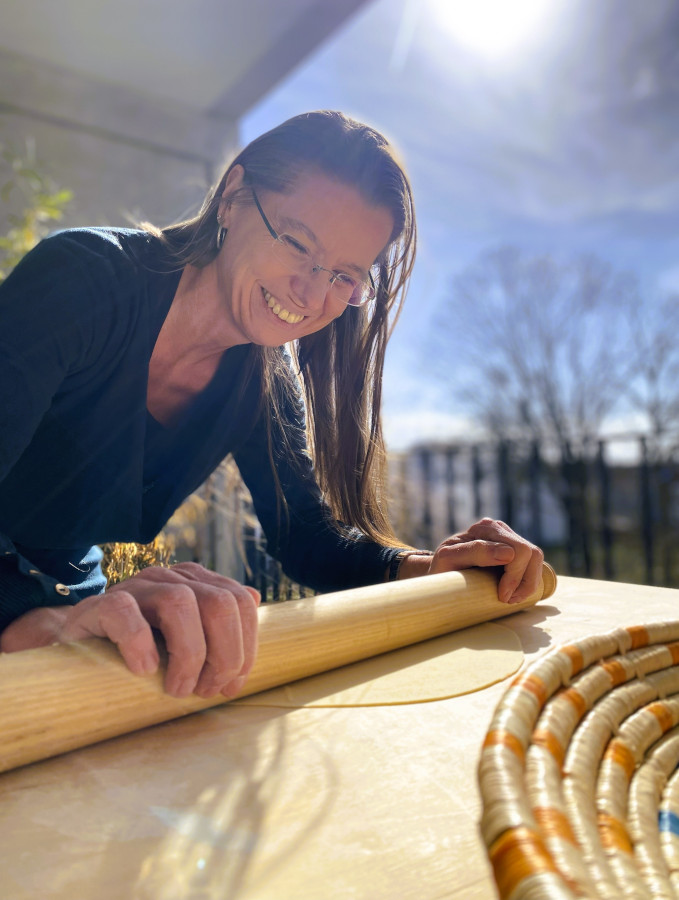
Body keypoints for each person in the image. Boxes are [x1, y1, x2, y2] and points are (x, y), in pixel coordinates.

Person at [0, 110, 543, 699]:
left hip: (70, 616)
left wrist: (430, 568)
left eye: (344, 276)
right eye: (296, 242)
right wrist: (36, 621)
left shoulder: (265, 379)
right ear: (232, 197)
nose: (311, 295)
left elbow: (307, 538)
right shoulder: (83, 281)